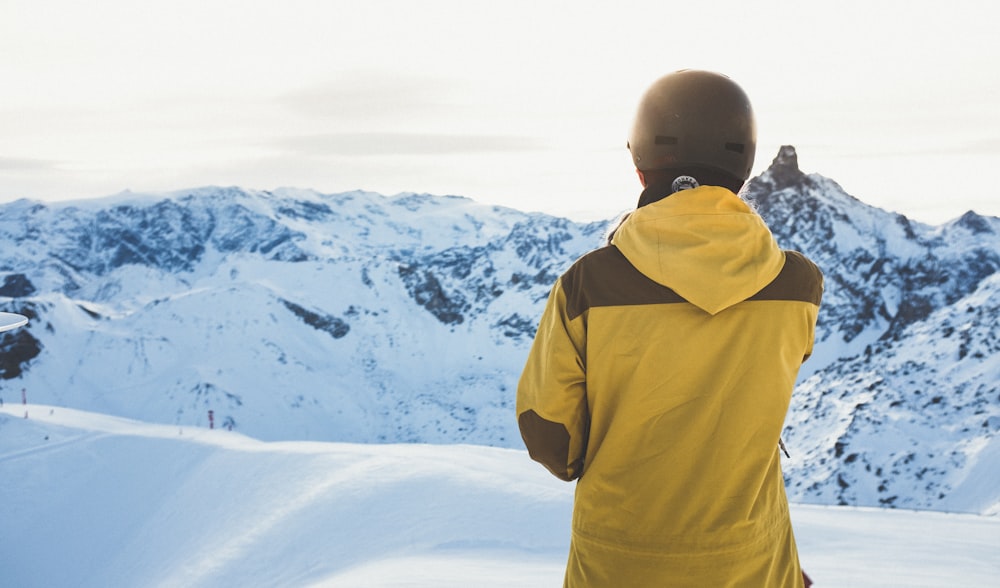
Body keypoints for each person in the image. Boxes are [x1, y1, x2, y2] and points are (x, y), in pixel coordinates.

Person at [516, 69, 822, 587]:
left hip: (617, 560)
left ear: (641, 165)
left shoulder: (587, 286)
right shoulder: (796, 286)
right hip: (753, 558)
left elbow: (552, 440)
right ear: (743, 166)